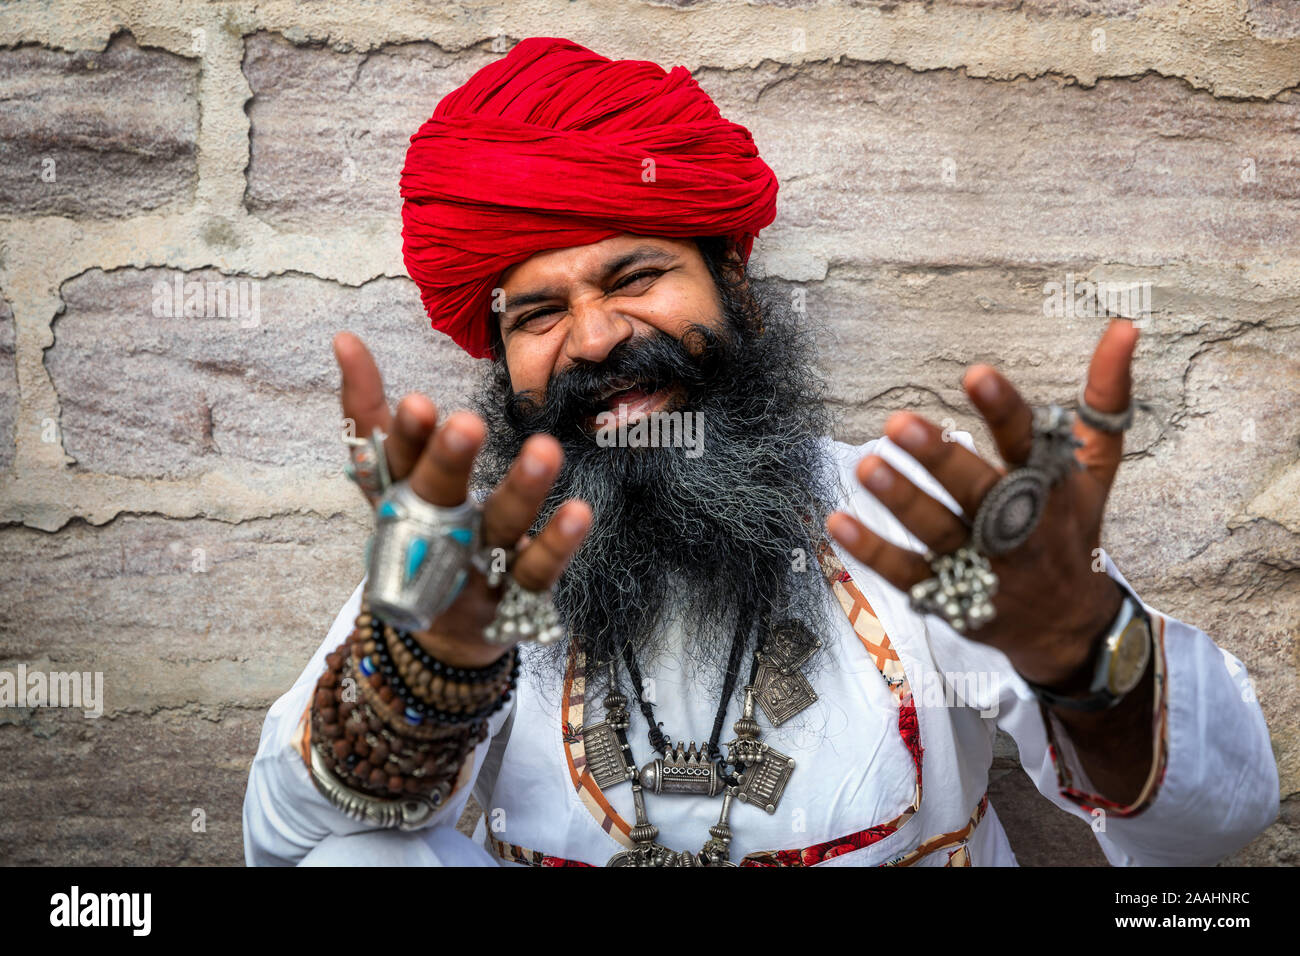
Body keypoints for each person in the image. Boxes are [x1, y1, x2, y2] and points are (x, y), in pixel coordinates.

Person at [242, 37, 1278, 867]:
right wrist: (425, 674)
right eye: (540, 313)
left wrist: (1088, 658)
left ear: (733, 286)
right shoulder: (468, 569)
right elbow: (283, 846)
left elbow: (1209, 829)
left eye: (636, 274)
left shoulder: (909, 511)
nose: (595, 339)